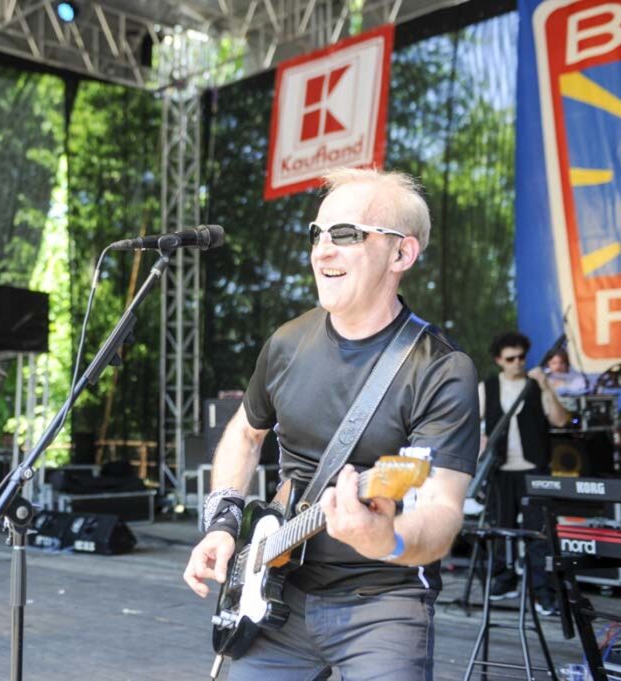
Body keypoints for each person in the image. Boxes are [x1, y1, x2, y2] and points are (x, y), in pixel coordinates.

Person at [183, 167, 480, 680]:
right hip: (277, 592)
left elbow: (441, 512)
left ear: (402, 254)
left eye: (346, 234)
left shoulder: (441, 369)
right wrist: (224, 523)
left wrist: (385, 538)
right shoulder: (286, 342)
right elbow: (246, 433)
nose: (322, 251)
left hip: (384, 604)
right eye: (317, 234)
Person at [481, 332, 570, 614]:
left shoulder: (537, 385)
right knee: (499, 527)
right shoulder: (487, 387)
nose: (518, 363)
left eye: (521, 357)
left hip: (534, 469)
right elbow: (470, 424)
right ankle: (504, 579)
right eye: (511, 359)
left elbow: (560, 420)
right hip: (500, 470)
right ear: (499, 360)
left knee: (538, 532)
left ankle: (542, 591)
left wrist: (545, 386)